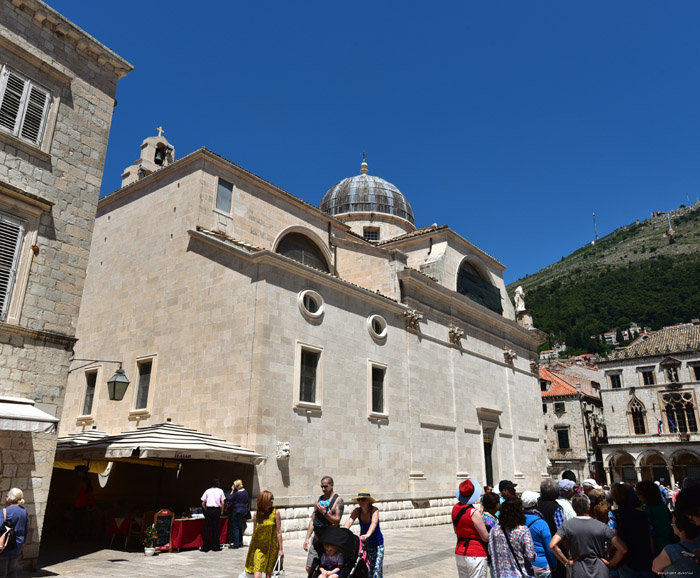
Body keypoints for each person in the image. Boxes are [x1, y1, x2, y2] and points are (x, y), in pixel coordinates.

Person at [550, 493, 628, 578]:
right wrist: (610, 564)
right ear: (589, 507)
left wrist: (567, 562)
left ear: (573, 508)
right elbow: (623, 549)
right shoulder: (601, 526)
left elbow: (553, 545)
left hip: (579, 572)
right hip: (600, 571)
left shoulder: (566, 526)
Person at [608, 482, 654, 578]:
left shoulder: (614, 515)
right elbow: (650, 538)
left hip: (627, 562)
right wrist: (652, 557)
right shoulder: (643, 514)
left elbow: (613, 536)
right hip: (645, 559)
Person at [304, 476, 344, 574]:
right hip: (317, 538)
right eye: (321, 486)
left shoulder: (338, 501)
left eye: (325, 486)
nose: (323, 489)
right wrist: (307, 538)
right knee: (309, 567)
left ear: (332, 485)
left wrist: (325, 513)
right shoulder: (318, 500)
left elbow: (337, 521)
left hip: (329, 540)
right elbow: (313, 520)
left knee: (328, 568)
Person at [489, 496, 536, 578]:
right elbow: (531, 556)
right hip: (517, 574)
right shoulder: (522, 530)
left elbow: (490, 551)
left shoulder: (494, 530)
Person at [451, 480, 488, 578]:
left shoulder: (454, 509)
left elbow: (456, 531)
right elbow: (485, 537)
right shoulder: (474, 513)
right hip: (475, 553)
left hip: (460, 551)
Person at [344, 490, 384, 578]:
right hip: (365, 545)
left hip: (377, 544)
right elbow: (350, 521)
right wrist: (343, 532)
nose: (361, 502)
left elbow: (374, 523)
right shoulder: (357, 511)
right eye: (359, 500)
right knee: (367, 569)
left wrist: (368, 534)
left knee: (376, 570)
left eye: (363, 500)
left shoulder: (374, 510)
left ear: (369, 501)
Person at [245, 490, 283, 578]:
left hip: (272, 546)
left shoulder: (275, 513)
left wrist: (280, 549)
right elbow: (254, 532)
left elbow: (279, 532)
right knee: (257, 569)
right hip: (259, 547)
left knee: (268, 573)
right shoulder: (256, 515)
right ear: (264, 501)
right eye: (270, 500)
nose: (272, 502)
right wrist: (251, 548)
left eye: (272, 499)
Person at [652, 510, 700, 575]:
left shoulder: (672, 550)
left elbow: (654, 568)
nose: (672, 526)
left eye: (673, 523)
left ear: (680, 527)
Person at [522, 491, 557, 578]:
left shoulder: (518, 521)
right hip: (541, 565)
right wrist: (554, 565)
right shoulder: (541, 523)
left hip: (524, 565)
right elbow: (549, 548)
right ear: (536, 504)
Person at [635, 480, 673, 557]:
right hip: (668, 543)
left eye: (639, 493)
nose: (636, 495)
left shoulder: (648, 510)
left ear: (647, 494)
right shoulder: (662, 506)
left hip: (657, 547)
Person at [0, 488, 28, 578]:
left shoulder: (4, 512)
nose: (6, 497)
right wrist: (22, 546)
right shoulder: (24, 512)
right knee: (11, 571)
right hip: (17, 546)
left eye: (7, 495)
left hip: (3, 547)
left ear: (11, 499)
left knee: (1, 572)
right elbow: (25, 530)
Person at [200, 478, 225, 552]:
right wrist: (222, 510)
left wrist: (206, 509)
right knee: (216, 529)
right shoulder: (220, 491)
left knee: (207, 529)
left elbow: (203, 502)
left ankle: (205, 547)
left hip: (209, 510)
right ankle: (216, 547)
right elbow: (223, 502)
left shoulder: (207, 491)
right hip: (217, 510)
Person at [226, 479, 249, 549]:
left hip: (236, 511)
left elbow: (230, 498)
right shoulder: (245, 492)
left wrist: (232, 490)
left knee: (235, 527)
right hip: (243, 511)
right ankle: (240, 542)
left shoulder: (237, 493)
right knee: (239, 527)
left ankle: (236, 544)